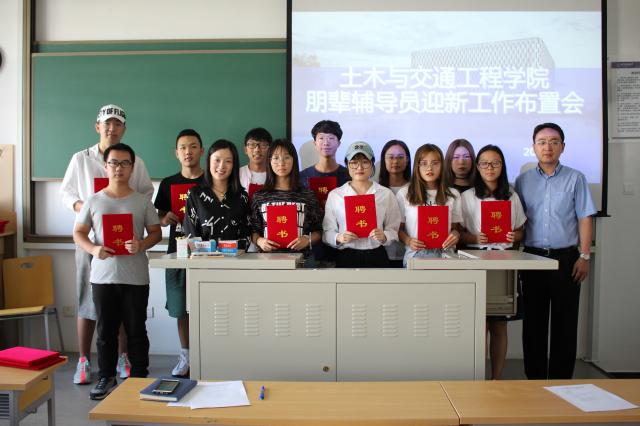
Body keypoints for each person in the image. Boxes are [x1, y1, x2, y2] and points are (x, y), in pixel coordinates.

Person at [60, 104, 154, 385]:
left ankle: (124, 358)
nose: (112, 128)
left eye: (117, 124)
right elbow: (66, 193)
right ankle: (84, 360)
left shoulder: (134, 160)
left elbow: (146, 194)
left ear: (124, 129)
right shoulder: (81, 159)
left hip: (128, 249)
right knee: (89, 302)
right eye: (107, 123)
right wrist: (88, 209)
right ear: (97, 126)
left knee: (125, 309)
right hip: (92, 239)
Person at [73, 143, 161, 400]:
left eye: (125, 163)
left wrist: (141, 244)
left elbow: (155, 232)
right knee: (105, 331)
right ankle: (106, 377)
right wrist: (94, 248)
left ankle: (140, 377)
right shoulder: (93, 200)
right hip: (103, 277)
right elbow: (78, 232)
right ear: (105, 166)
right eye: (113, 162)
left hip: (135, 277)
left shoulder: (142, 201)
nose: (118, 168)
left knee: (137, 329)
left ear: (132, 168)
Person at [515, 122, 595, 380]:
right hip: (532, 258)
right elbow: (518, 221)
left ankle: (561, 382)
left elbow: (585, 217)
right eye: (542, 142)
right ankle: (535, 381)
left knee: (565, 323)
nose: (547, 147)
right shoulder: (523, 181)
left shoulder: (575, 178)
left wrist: (584, 256)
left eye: (553, 142)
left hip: (566, 259)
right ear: (533, 147)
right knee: (534, 323)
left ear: (562, 146)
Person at [459, 144, 526, 380]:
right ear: (477, 167)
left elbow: (521, 231)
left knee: (499, 324)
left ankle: (496, 379)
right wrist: (473, 238)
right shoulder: (466, 197)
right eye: (485, 163)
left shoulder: (511, 195)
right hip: (474, 260)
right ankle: (478, 379)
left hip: (502, 260)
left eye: (495, 163)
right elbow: (457, 233)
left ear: (502, 166)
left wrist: (513, 236)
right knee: (479, 324)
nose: (490, 168)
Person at [153, 129, 205, 377]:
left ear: (201, 151)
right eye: (183, 147)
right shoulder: (168, 183)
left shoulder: (210, 181)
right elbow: (158, 217)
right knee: (180, 307)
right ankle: (186, 355)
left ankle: (207, 355)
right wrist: (164, 219)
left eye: (193, 146)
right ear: (176, 153)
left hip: (206, 253)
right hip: (177, 252)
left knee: (206, 305)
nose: (188, 151)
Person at [323, 141, 401, 268]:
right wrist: (338, 237)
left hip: (376, 255)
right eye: (354, 163)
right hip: (346, 256)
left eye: (365, 162)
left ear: (372, 164)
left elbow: (394, 229)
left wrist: (385, 236)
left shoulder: (385, 194)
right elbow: (327, 232)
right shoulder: (336, 195)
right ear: (347, 165)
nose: (359, 168)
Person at [250, 139, 323, 257]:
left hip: (301, 261)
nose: (281, 163)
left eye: (286, 157)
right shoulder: (260, 196)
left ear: (294, 160)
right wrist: (259, 241)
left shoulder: (307, 195)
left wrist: (307, 239)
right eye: (276, 158)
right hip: (268, 260)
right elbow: (252, 230)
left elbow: (319, 230)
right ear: (269, 161)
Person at [396, 144, 462, 267]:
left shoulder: (453, 194)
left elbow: (456, 228)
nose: (429, 168)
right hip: (415, 254)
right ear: (417, 166)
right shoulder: (405, 193)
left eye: (435, 163)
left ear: (442, 166)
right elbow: (398, 229)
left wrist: (455, 235)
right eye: (424, 163)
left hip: (445, 254)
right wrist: (408, 240)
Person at [183, 139, 251, 250]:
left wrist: (230, 251)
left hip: (235, 259)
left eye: (228, 161)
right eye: (217, 160)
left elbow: (246, 235)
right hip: (202, 259)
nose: (221, 166)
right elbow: (190, 233)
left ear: (234, 165)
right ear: (209, 161)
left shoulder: (242, 197)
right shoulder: (195, 195)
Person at [378, 140, 411, 267]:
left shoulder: (416, 190)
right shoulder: (375, 190)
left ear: (407, 160)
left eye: (400, 157)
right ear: (383, 160)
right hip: (381, 253)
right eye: (391, 157)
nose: (395, 161)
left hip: (410, 252)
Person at [299, 120, 351, 188]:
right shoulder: (303, 177)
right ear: (315, 143)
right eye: (321, 138)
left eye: (331, 138)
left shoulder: (349, 176)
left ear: (338, 143)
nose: (326, 143)